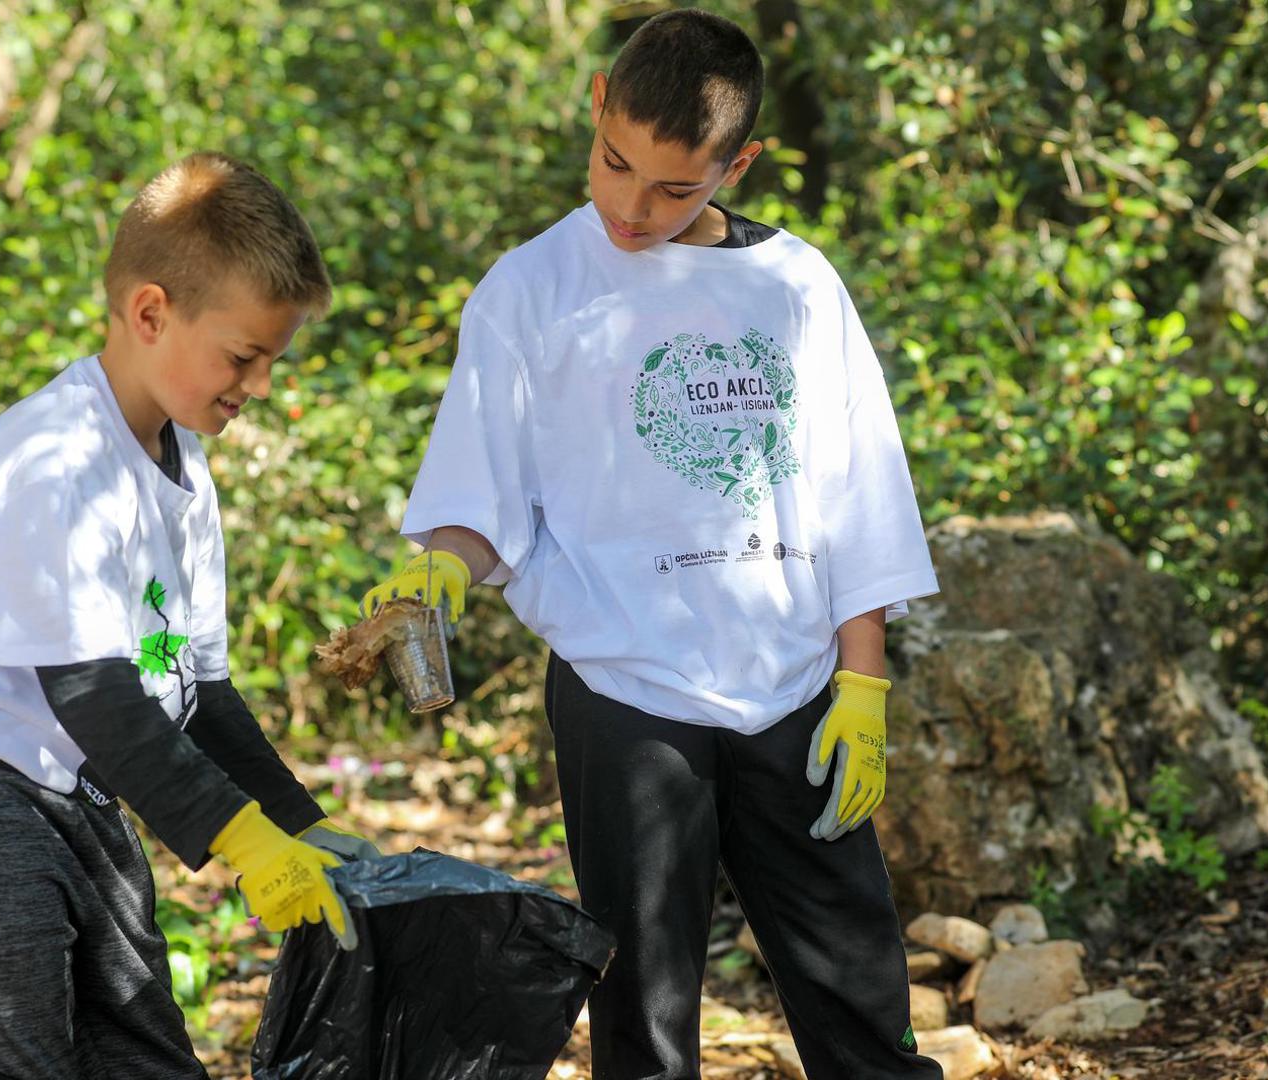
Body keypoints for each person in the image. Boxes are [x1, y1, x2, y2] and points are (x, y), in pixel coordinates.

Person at [362, 11, 943, 1079]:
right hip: (626, 693)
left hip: (799, 689)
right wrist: (441, 562)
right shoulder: (531, 290)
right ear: (595, 106)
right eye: (614, 164)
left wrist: (865, 688)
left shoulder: (799, 288)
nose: (632, 208)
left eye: (674, 188)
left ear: (739, 163)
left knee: (859, 994)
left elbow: (857, 494)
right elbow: (476, 485)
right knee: (646, 1013)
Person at [0, 150, 374, 1079]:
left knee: (147, 1056)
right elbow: (93, 695)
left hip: (87, 790)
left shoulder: (186, 463)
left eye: (271, 360)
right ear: (151, 314)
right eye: (243, 356)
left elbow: (197, 691)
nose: (259, 385)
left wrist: (296, 823)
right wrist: (240, 838)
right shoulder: (52, 461)